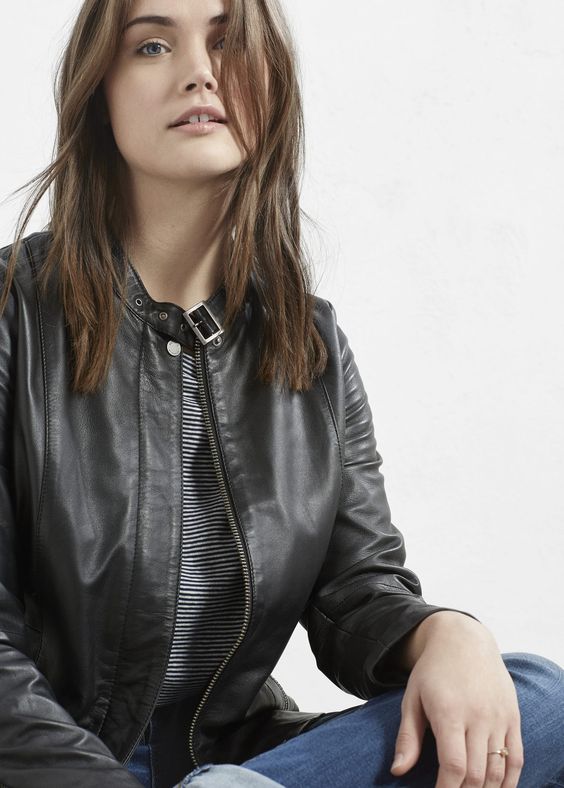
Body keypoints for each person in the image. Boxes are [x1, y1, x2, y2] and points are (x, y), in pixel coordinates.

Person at [0, 0, 562, 786]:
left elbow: (357, 594)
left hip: (241, 764)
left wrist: (446, 635)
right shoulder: (14, 311)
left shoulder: (309, 342)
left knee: (539, 700)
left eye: (229, 42)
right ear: (99, 93)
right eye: (153, 45)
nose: (200, 71)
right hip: (47, 765)